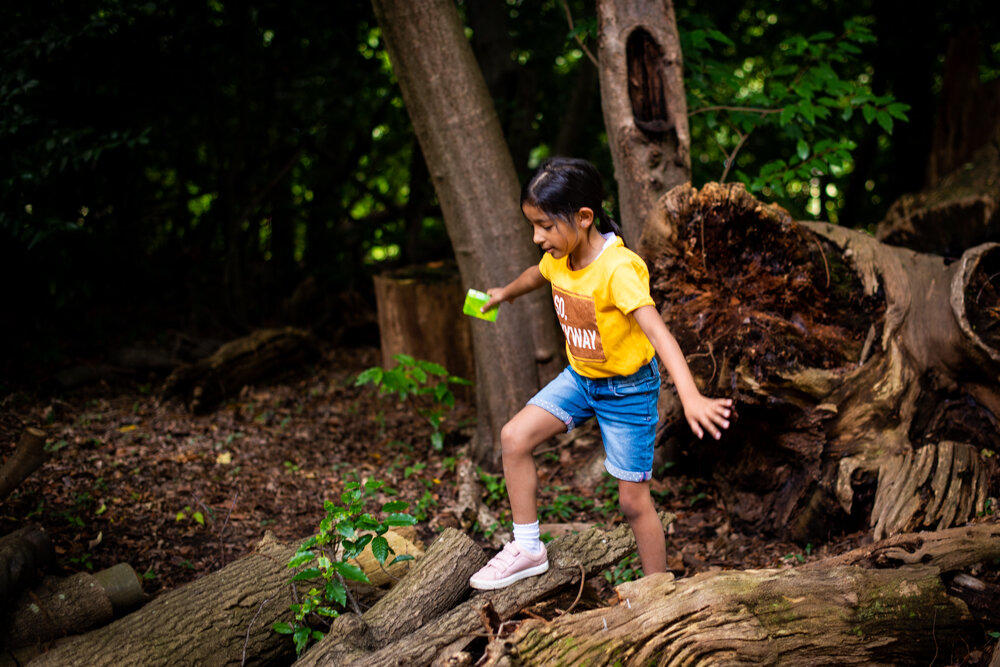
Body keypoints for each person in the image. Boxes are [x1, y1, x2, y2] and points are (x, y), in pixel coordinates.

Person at [468, 157, 732, 590]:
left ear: (584, 217)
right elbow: (537, 274)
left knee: (633, 502)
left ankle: (657, 591)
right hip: (581, 378)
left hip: (627, 390)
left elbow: (659, 333)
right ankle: (528, 547)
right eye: (532, 225)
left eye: (545, 226)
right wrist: (504, 294)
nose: (537, 237)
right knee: (514, 438)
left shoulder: (618, 268)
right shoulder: (561, 255)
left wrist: (691, 396)